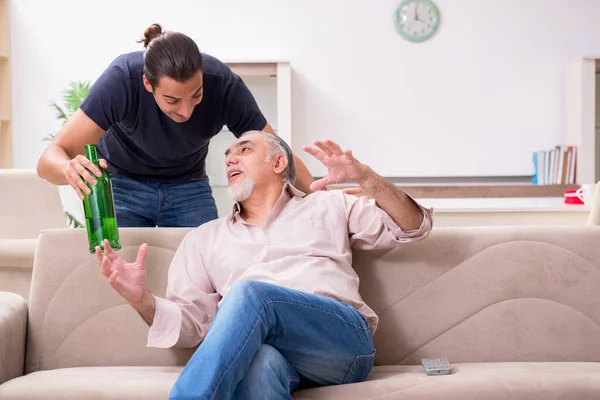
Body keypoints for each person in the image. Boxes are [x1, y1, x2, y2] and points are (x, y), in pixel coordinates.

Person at [96, 131, 434, 399]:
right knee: (259, 365)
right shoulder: (203, 239)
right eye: (227, 155)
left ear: (277, 163)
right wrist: (142, 301)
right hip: (272, 352)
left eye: (243, 150)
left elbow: (412, 227)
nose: (230, 158)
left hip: (341, 344)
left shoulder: (329, 205)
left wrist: (366, 178)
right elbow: (193, 327)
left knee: (252, 294)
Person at [36, 23, 316, 228]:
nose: (186, 110)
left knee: (208, 274)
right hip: (122, 185)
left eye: (196, 95)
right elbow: (49, 159)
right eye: (172, 100)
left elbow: (278, 155)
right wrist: (67, 169)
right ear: (148, 84)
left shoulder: (222, 84)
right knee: (115, 280)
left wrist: (322, 199)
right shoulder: (122, 80)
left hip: (188, 186)